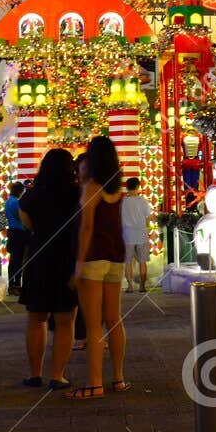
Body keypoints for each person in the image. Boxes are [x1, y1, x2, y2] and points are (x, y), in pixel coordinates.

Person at [69, 135, 129, 399]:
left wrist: (78, 263)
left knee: (93, 324)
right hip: (116, 256)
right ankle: (118, 377)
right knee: (114, 320)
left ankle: (95, 383)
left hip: (94, 257)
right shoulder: (117, 189)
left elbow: (87, 227)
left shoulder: (92, 187)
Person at [17, 151, 80, 389]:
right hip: (66, 258)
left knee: (36, 318)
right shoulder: (76, 193)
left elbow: (26, 221)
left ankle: (35, 374)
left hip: (39, 257)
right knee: (65, 320)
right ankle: (57, 375)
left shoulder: (34, 193)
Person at [120, 175, 153, 292]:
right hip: (141, 234)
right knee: (142, 262)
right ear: (138, 187)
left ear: (127, 188)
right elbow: (149, 217)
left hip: (127, 235)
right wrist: (149, 228)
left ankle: (129, 286)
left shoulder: (122, 202)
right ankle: (142, 286)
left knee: (128, 262)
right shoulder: (143, 201)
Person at [4, 181, 29, 295]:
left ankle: (10, 285)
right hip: (19, 233)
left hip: (11, 232)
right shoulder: (16, 202)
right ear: (20, 191)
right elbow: (21, 217)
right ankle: (17, 285)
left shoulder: (8, 201)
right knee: (18, 260)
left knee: (12, 260)